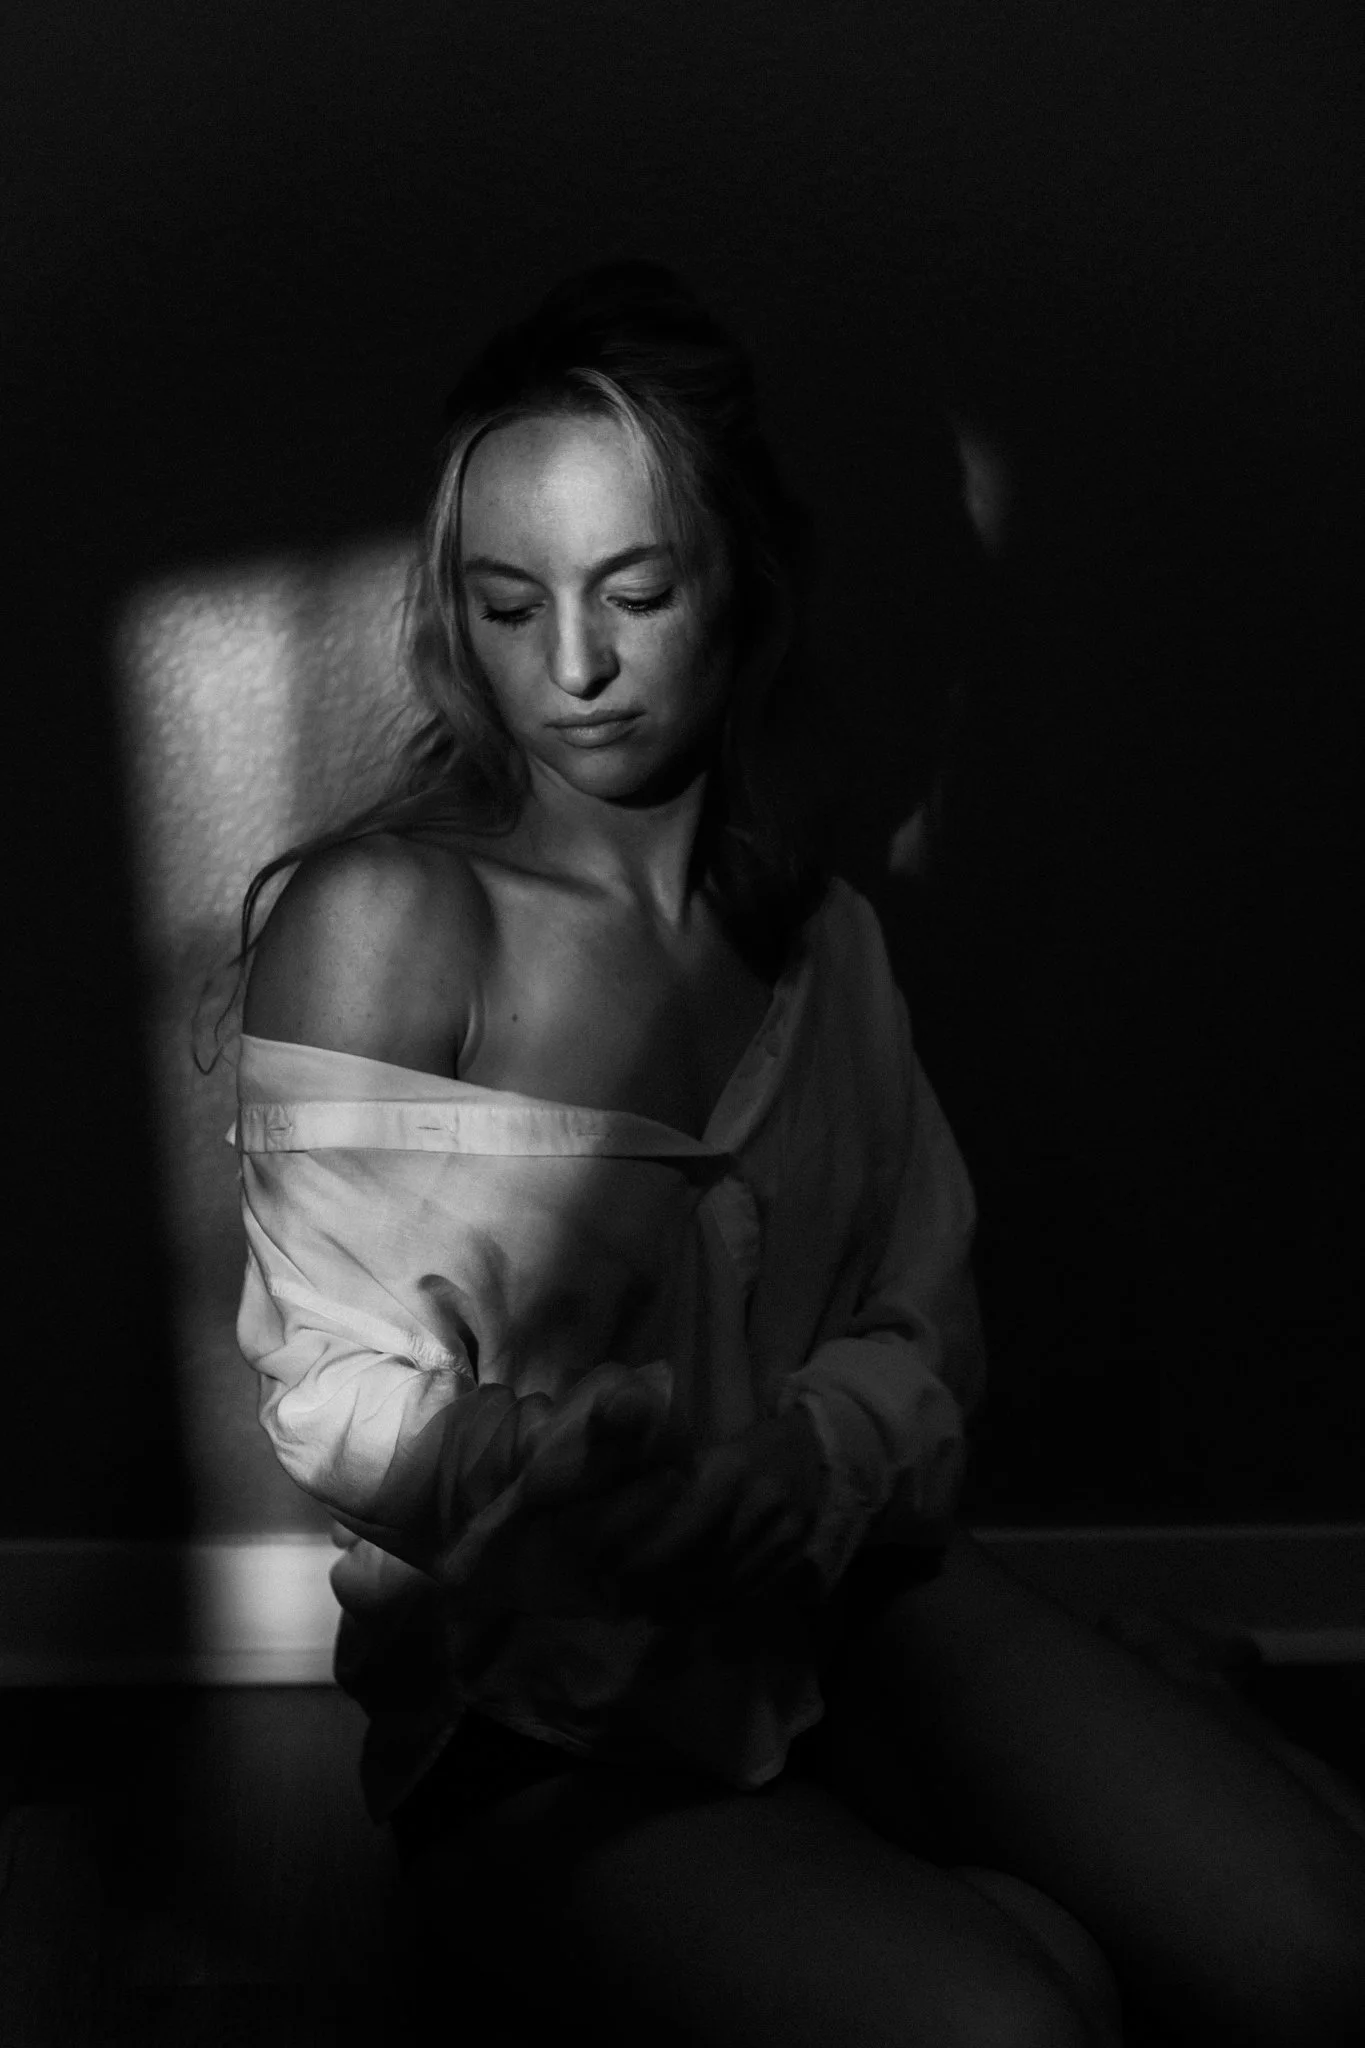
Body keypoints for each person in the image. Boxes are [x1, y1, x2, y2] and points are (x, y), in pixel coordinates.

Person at [228, 263, 1365, 2047]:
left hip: (847, 1604)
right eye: (508, 606)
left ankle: (1034, 1771)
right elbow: (319, 1387)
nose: (576, 668)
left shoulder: (829, 941)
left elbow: (925, 1338)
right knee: (1018, 2021)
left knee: (1316, 1957)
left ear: (741, 577)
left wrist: (803, 1458)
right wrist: (543, 1459)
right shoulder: (388, 917)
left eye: (636, 593)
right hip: (547, 1720)